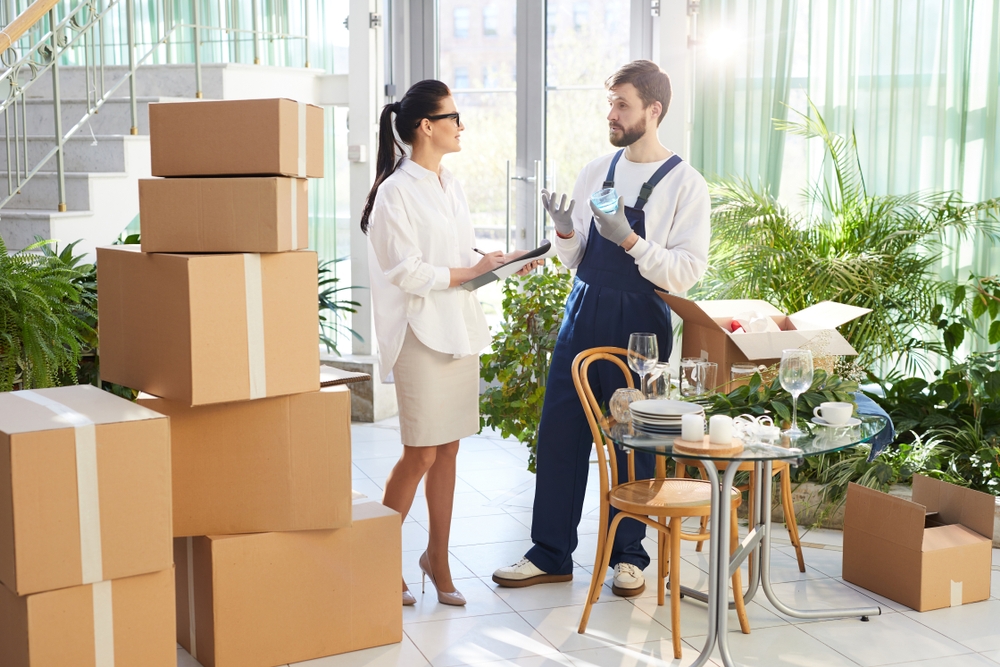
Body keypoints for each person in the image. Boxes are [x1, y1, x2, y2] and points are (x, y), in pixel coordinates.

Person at [492, 60, 711, 597]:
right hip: (584, 307)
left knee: (637, 438)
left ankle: (628, 557)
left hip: (642, 319)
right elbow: (574, 258)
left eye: (622, 105)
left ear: (652, 111)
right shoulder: (596, 170)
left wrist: (632, 242)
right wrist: (566, 231)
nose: (611, 114)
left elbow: (687, 272)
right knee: (561, 431)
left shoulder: (686, 184)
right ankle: (550, 553)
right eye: (609, 103)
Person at [362, 80, 542, 607]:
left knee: (448, 451)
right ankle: (379, 556)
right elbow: (408, 272)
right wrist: (472, 268)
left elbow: (459, 257)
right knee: (419, 453)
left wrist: (501, 263)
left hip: (458, 329)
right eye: (454, 117)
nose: (461, 126)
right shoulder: (395, 191)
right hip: (420, 332)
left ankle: (436, 557)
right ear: (426, 126)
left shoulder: (450, 185)